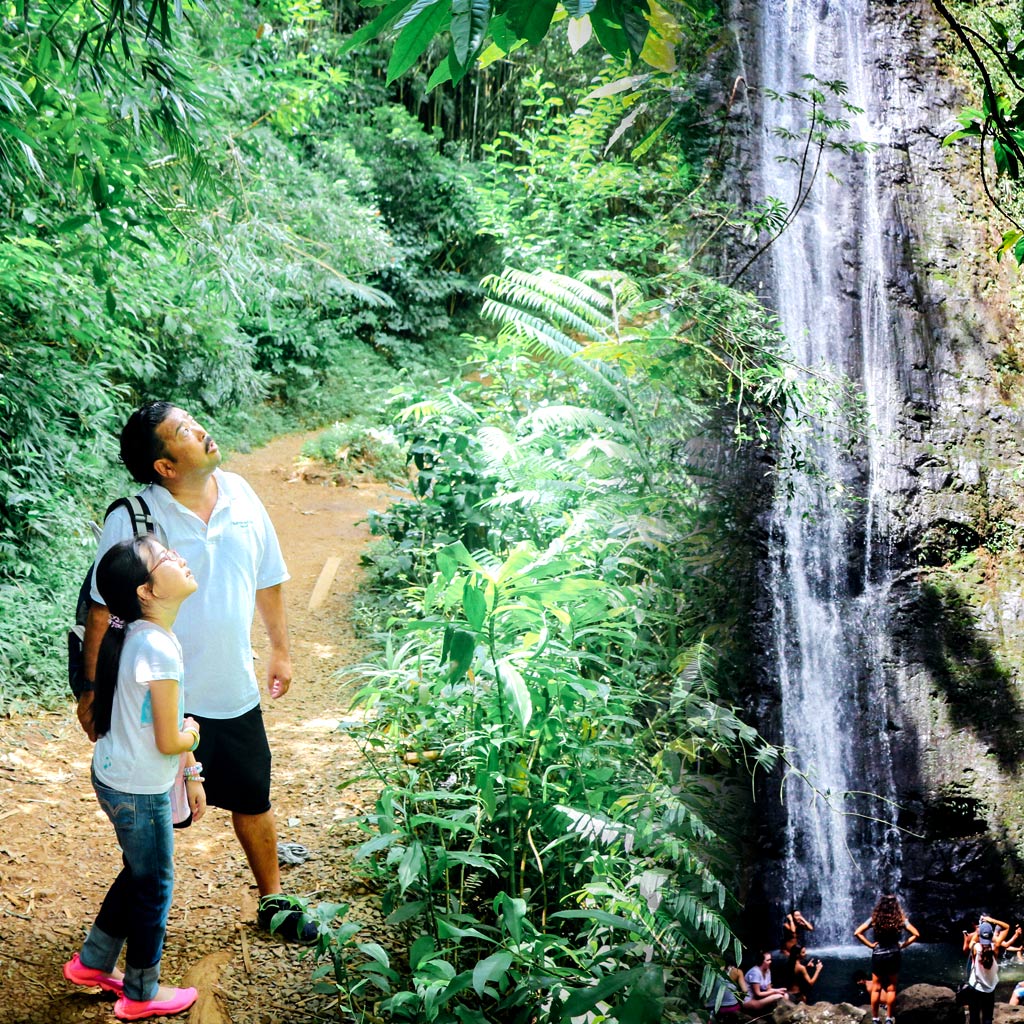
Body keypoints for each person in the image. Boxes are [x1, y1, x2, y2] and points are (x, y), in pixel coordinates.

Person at [76, 402, 313, 942]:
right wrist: (90, 691)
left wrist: (280, 649)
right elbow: (100, 609)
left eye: (193, 422)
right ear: (165, 466)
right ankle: (107, 946)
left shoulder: (242, 494)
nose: (201, 430)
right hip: (156, 701)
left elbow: (268, 577)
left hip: (231, 687)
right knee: (153, 827)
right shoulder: (135, 519)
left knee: (253, 796)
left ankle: (273, 900)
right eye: (184, 430)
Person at [64, 537, 204, 1021]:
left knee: (140, 871)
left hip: (117, 775)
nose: (179, 558)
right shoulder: (156, 648)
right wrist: (193, 736)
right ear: (146, 591)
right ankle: (142, 993)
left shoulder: (143, 635)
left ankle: (93, 963)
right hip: (137, 788)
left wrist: (191, 771)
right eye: (165, 558)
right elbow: (169, 737)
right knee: (155, 885)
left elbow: (159, 720)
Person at [853, 893, 920, 1024]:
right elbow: (916, 934)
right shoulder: (900, 919)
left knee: (876, 988)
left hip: (878, 955)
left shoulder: (874, 919)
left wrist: (870, 945)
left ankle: (875, 1019)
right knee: (891, 988)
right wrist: (903, 945)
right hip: (894, 954)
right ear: (895, 905)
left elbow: (857, 933)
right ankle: (889, 1019)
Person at [964, 915, 1014, 1024]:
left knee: (974, 1017)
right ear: (991, 935)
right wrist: (991, 920)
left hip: (975, 987)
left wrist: (979, 929)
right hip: (989, 989)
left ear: (979, 935)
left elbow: (973, 940)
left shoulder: (975, 948)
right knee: (987, 1018)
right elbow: (1007, 927)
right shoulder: (995, 947)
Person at [705, 952, 746, 1019]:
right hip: (732, 1006)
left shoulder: (717, 970)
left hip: (714, 1006)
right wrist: (740, 1000)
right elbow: (745, 990)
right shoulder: (738, 972)